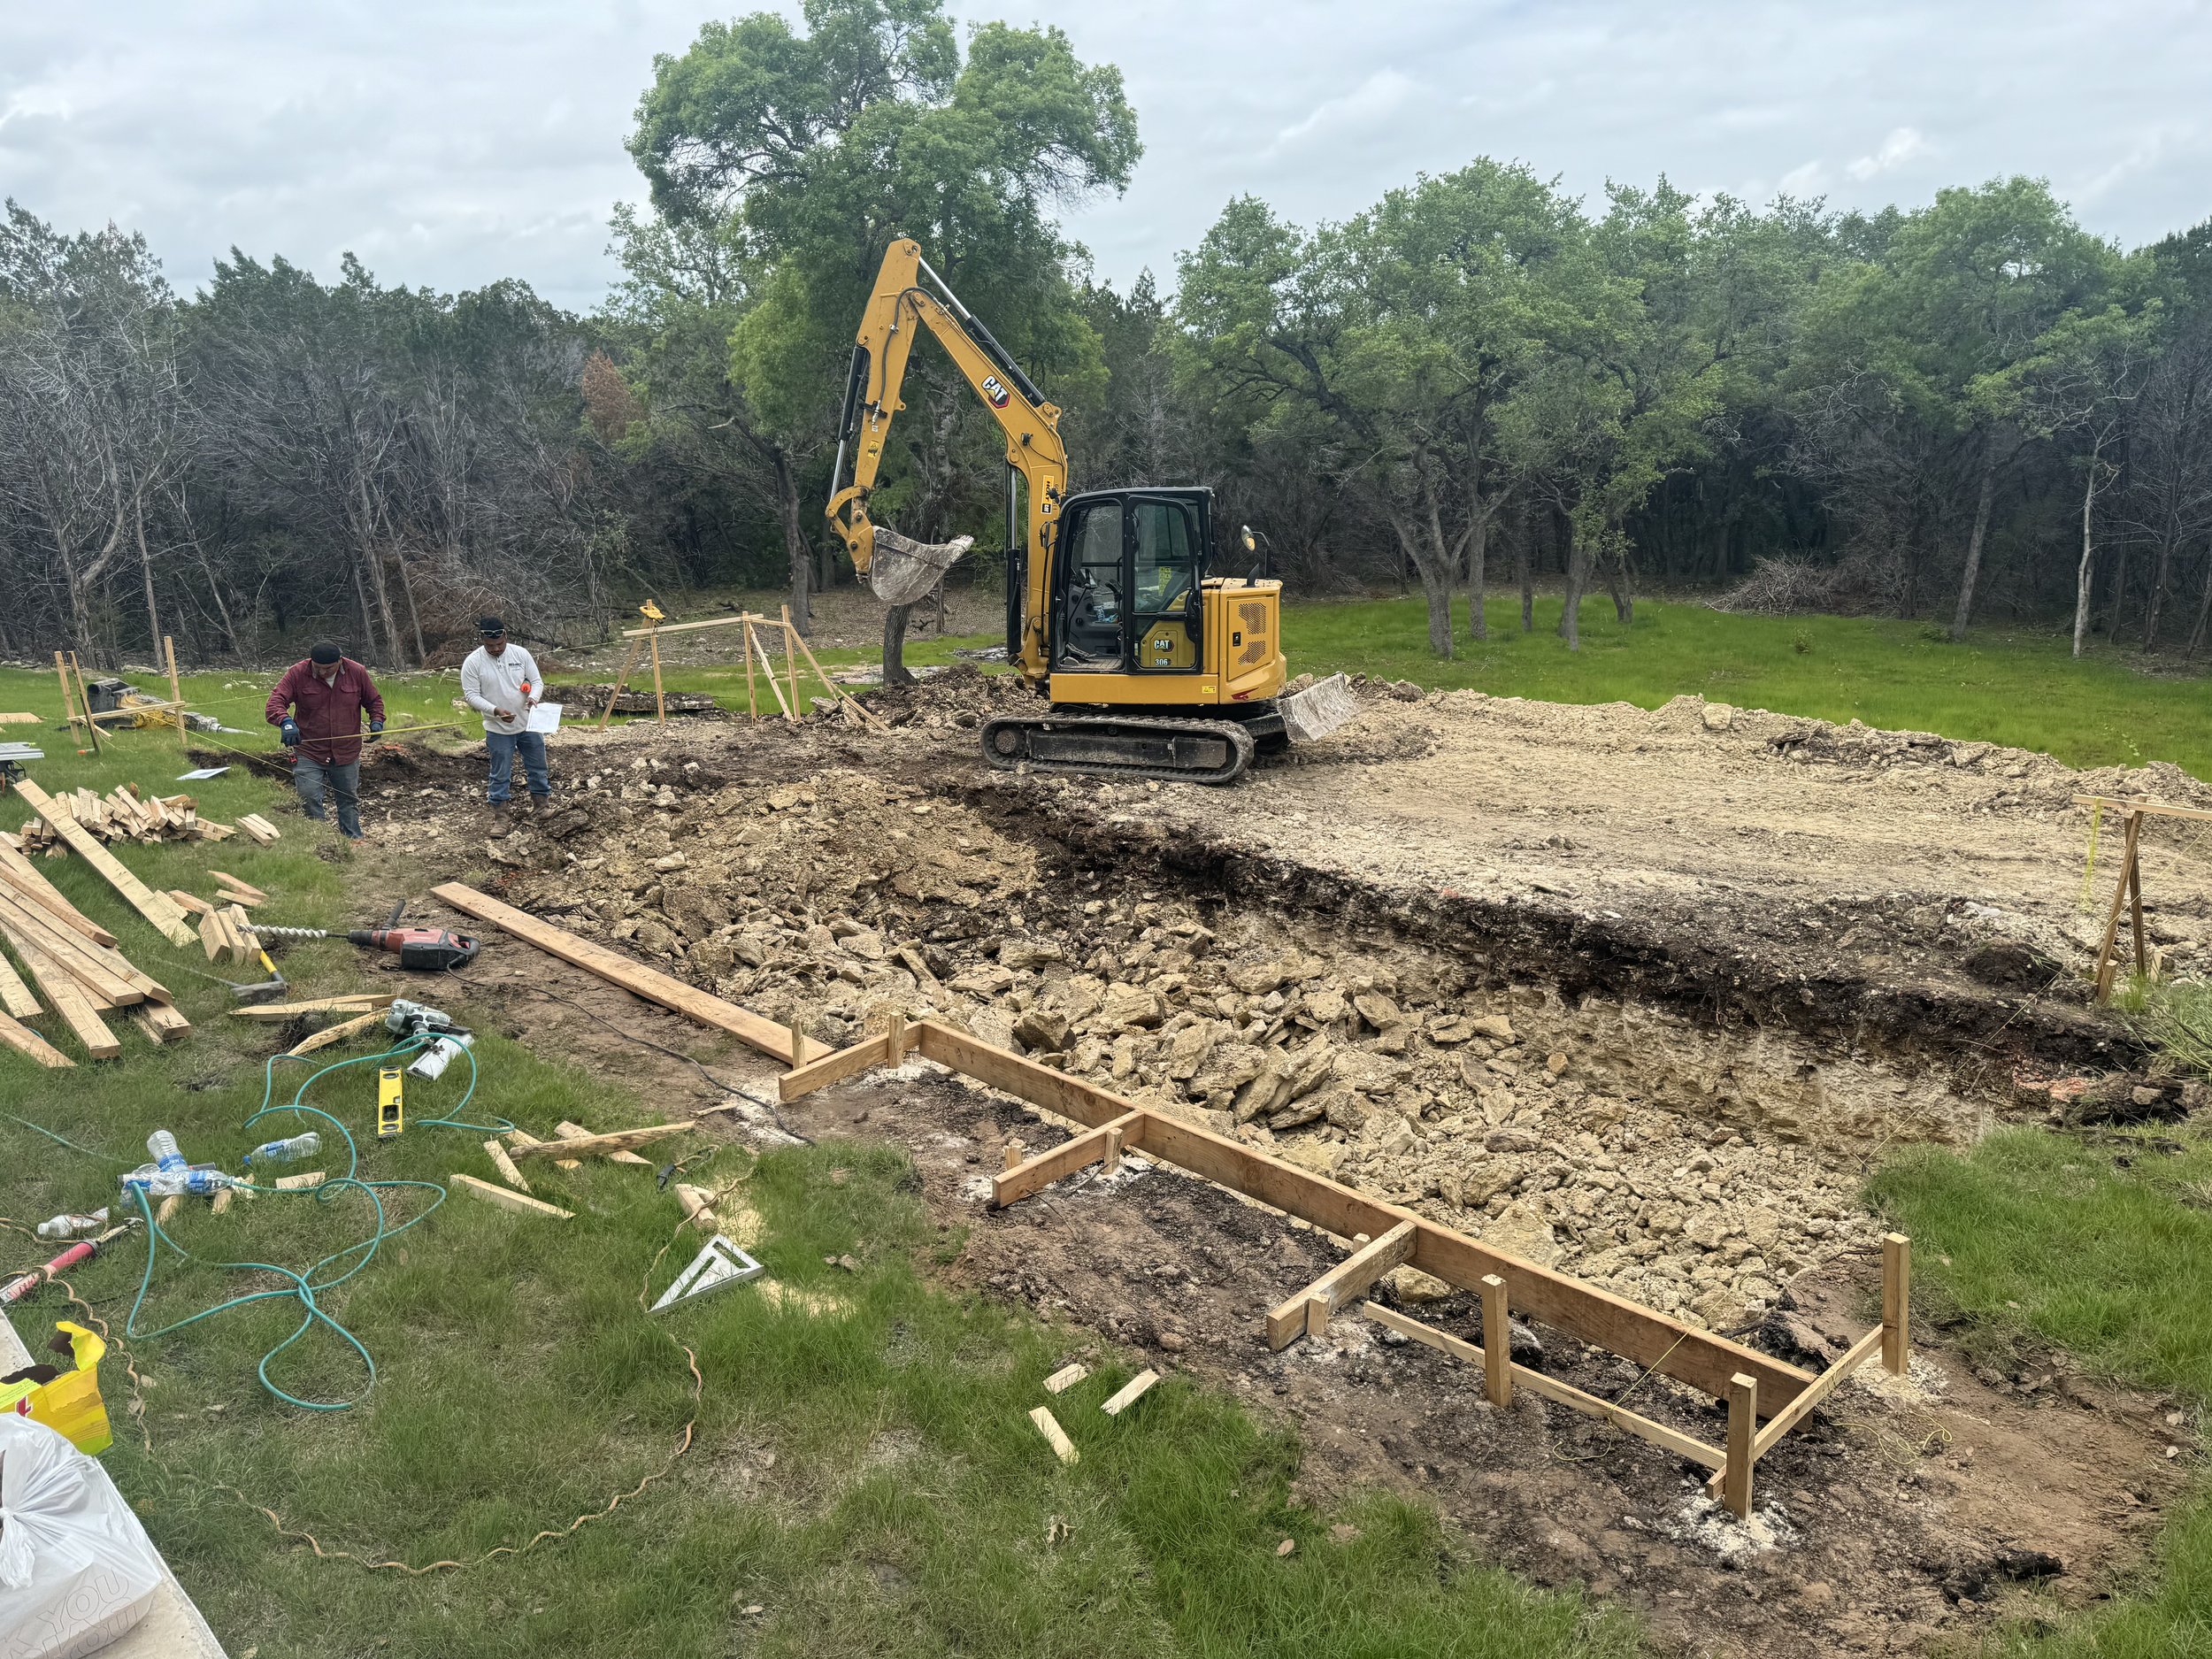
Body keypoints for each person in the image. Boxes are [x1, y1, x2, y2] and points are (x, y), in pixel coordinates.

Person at [265, 640, 383, 840]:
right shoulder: (297, 673)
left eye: (327, 668)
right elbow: (274, 702)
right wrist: (285, 722)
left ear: (340, 661)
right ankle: (320, 840)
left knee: (348, 799)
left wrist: (377, 721)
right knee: (309, 796)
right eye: (317, 668)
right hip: (309, 751)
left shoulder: (357, 672)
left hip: (346, 751)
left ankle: (353, 839)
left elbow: (374, 701)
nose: (322, 672)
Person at [460, 615, 549, 823]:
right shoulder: (473, 662)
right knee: (500, 773)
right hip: (497, 728)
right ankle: (501, 816)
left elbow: (536, 681)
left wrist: (533, 698)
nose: (496, 649)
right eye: (491, 646)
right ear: (482, 639)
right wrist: (495, 710)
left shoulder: (521, 654)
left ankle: (541, 807)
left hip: (528, 723)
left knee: (538, 766)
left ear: (506, 636)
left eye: (500, 644)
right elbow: (471, 695)